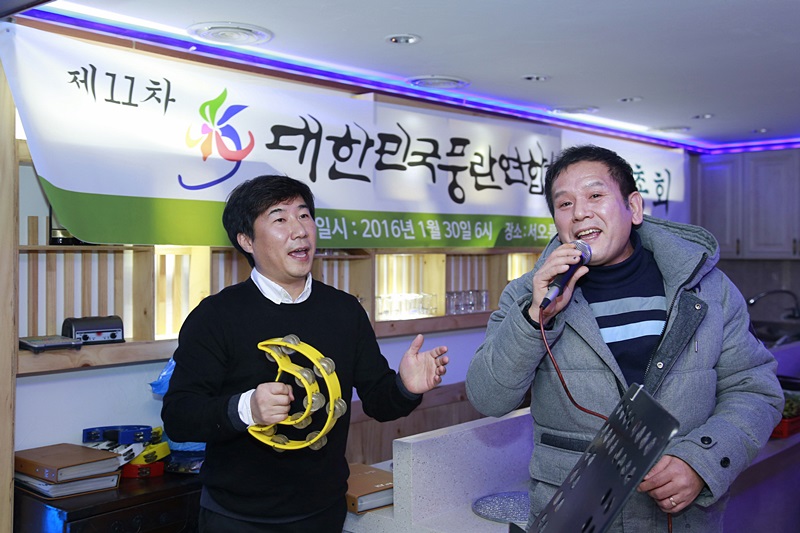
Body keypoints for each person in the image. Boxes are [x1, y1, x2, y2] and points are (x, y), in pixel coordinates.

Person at [465, 145, 783, 532]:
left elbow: (755, 390)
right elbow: (488, 397)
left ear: (633, 207)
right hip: (572, 519)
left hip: (679, 520)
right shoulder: (527, 295)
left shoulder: (705, 288)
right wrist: (536, 318)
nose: (579, 213)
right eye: (564, 204)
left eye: (595, 195)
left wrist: (701, 462)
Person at [162, 175, 449, 533]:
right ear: (246, 240)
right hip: (237, 518)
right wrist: (247, 408)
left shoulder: (344, 310)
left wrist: (406, 386)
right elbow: (179, 416)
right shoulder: (216, 316)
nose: (299, 231)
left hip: (324, 511)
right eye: (280, 219)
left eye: (304, 215)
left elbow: (379, 401)